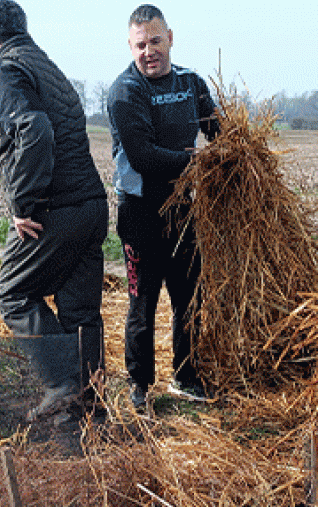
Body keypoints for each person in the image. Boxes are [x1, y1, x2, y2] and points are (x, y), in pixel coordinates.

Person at [0, 0, 109, 426]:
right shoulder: (46, 65)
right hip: (90, 205)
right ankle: (89, 407)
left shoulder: (6, 69)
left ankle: (62, 385)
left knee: (14, 295)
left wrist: (22, 204)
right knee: (80, 312)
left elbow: (34, 130)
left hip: (54, 209)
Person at [107, 4, 218, 410]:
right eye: (140, 45)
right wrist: (199, 162)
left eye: (155, 41)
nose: (148, 51)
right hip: (140, 213)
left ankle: (186, 376)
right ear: (130, 46)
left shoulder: (191, 83)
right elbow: (143, 157)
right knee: (143, 302)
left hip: (185, 211)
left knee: (190, 299)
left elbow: (218, 130)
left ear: (170, 38)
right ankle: (140, 384)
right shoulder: (125, 91)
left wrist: (233, 152)